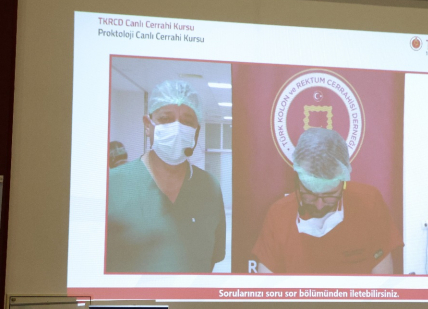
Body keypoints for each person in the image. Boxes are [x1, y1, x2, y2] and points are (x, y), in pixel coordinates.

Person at [106, 79, 226, 273]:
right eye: (166, 119)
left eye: (187, 122)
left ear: (196, 131)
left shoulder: (209, 187)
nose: (177, 129)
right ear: (148, 125)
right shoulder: (112, 184)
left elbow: (211, 257)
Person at [253, 128, 402, 274]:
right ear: (299, 181)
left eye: (329, 195)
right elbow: (266, 285)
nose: (319, 205)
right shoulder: (279, 215)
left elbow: (382, 281)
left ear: (342, 182)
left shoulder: (368, 204)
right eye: (310, 194)